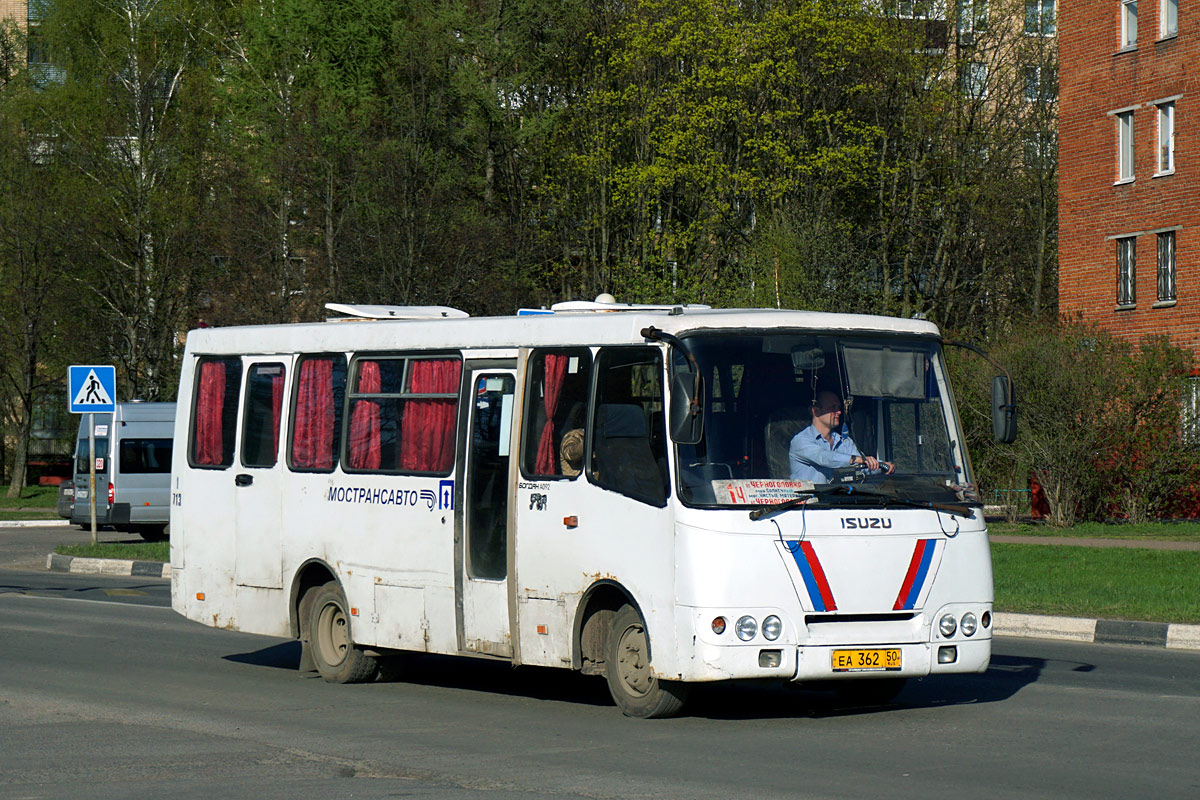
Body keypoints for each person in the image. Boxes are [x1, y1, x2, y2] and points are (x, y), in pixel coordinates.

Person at [789, 390, 894, 482]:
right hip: (808, 503)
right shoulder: (800, 441)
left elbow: (862, 468)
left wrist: (882, 466)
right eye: (832, 408)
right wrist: (857, 459)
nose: (839, 412)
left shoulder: (845, 442)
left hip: (837, 503)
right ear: (816, 411)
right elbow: (824, 458)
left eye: (839, 407)